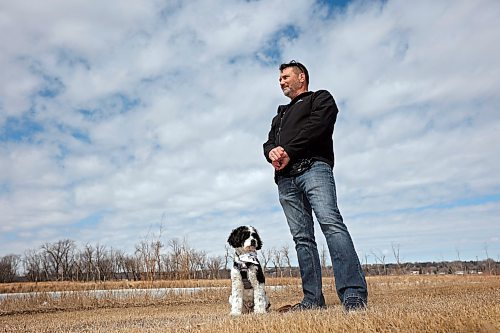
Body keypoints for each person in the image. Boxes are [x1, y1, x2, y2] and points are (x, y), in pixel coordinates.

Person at [263, 60, 368, 312]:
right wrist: (272, 152)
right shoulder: (280, 114)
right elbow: (268, 142)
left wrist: (289, 150)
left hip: (314, 169)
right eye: (279, 79)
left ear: (302, 78)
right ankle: (312, 299)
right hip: (286, 180)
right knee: (302, 239)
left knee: (331, 224)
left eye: (286, 77)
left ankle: (352, 293)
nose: (282, 81)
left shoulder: (320, 99)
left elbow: (318, 127)